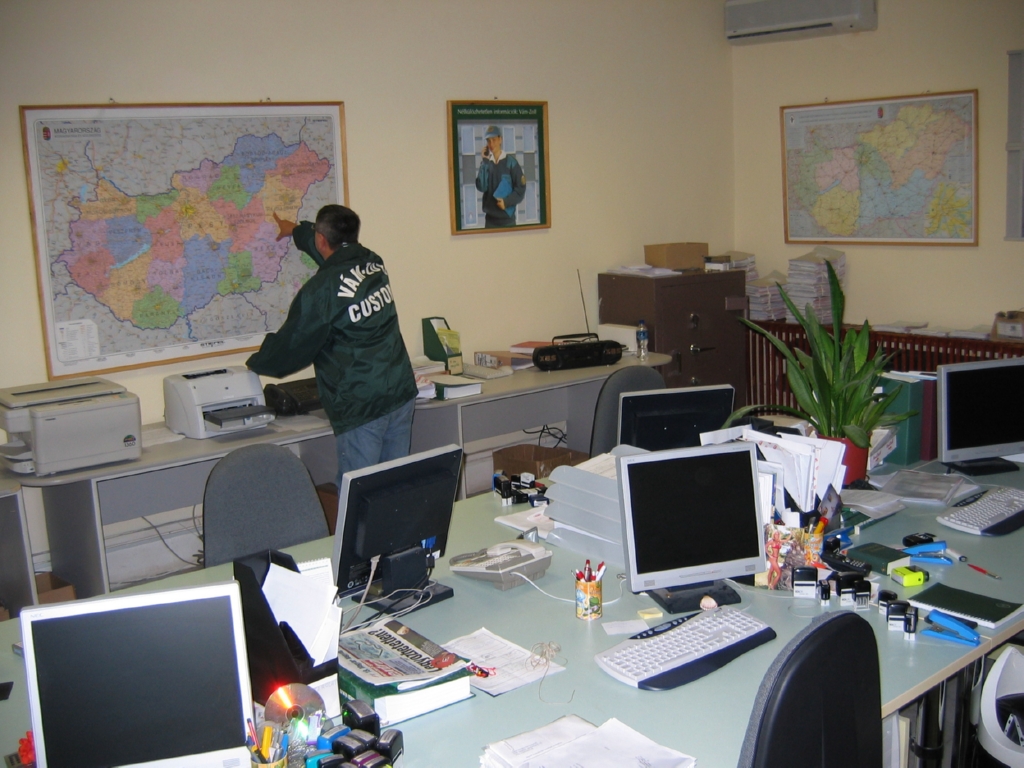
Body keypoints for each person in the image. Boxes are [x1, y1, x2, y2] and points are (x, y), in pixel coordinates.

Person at [246, 205, 417, 487]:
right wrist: (296, 231)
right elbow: (336, 263)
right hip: (399, 391)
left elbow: (294, 344)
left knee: (359, 491)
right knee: (394, 486)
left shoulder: (321, 290)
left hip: (362, 404)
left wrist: (256, 363)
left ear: (321, 239)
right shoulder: (372, 262)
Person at [475, 125, 527, 228]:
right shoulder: (486, 164)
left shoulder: (511, 163)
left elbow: (520, 189)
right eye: (488, 141)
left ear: (500, 139)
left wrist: (507, 202)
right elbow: (482, 187)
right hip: (490, 221)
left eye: (494, 140)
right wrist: (485, 161)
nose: (491, 144)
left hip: (508, 221)